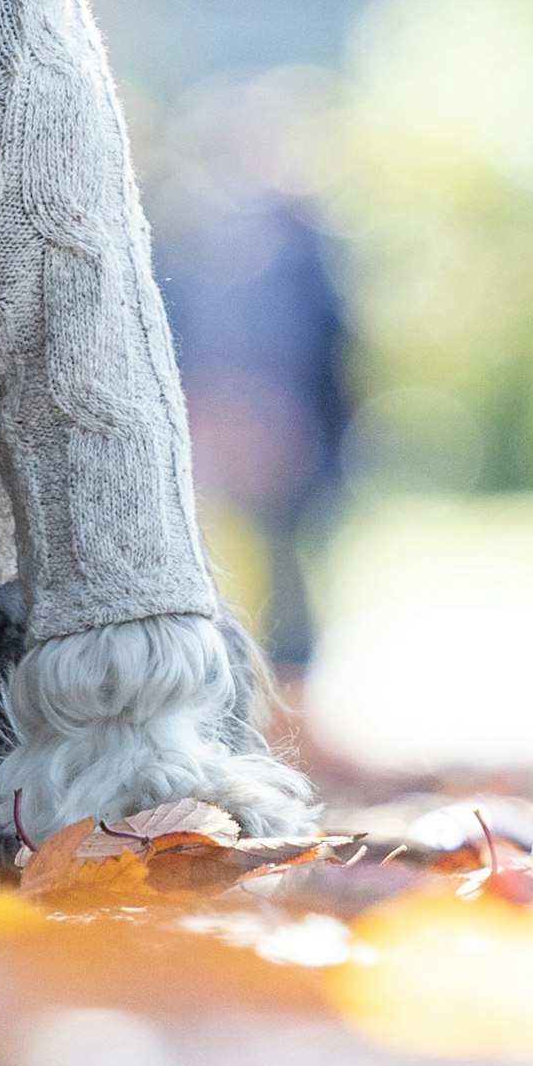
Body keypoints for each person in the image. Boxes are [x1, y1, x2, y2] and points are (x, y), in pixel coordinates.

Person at [150, 79, 353, 672]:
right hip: (205, 414)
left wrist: (315, 422)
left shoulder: (306, 233)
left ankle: (293, 676)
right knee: (206, 554)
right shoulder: (180, 229)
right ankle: (215, 670)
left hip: (288, 417)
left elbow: (330, 336)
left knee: (287, 556)